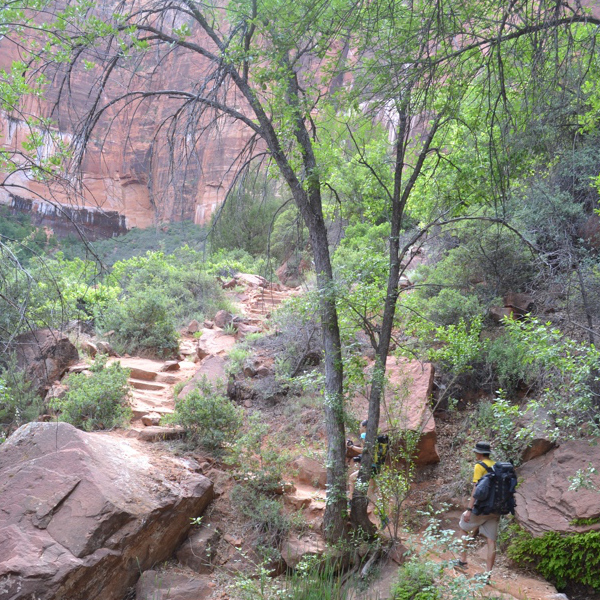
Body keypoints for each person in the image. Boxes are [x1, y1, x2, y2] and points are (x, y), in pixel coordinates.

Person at [457, 441, 499, 579]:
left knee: (463, 524)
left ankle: (462, 560)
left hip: (482, 508)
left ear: (480, 454)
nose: (475, 454)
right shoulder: (496, 465)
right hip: (496, 509)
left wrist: (469, 509)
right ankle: (487, 575)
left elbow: (476, 489)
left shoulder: (479, 466)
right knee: (491, 540)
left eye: (476, 452)